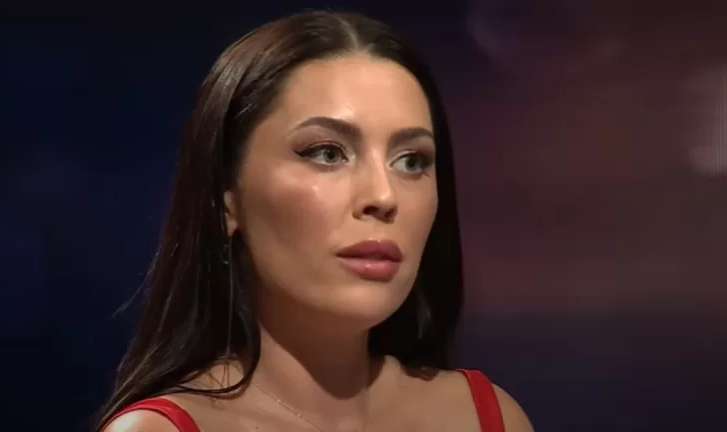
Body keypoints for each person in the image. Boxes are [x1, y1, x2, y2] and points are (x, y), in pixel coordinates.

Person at [97, 10, 534, 432]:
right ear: (226, 198)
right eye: (327, 153)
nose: (383, 197)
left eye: (411, 160)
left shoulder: (487, 418)